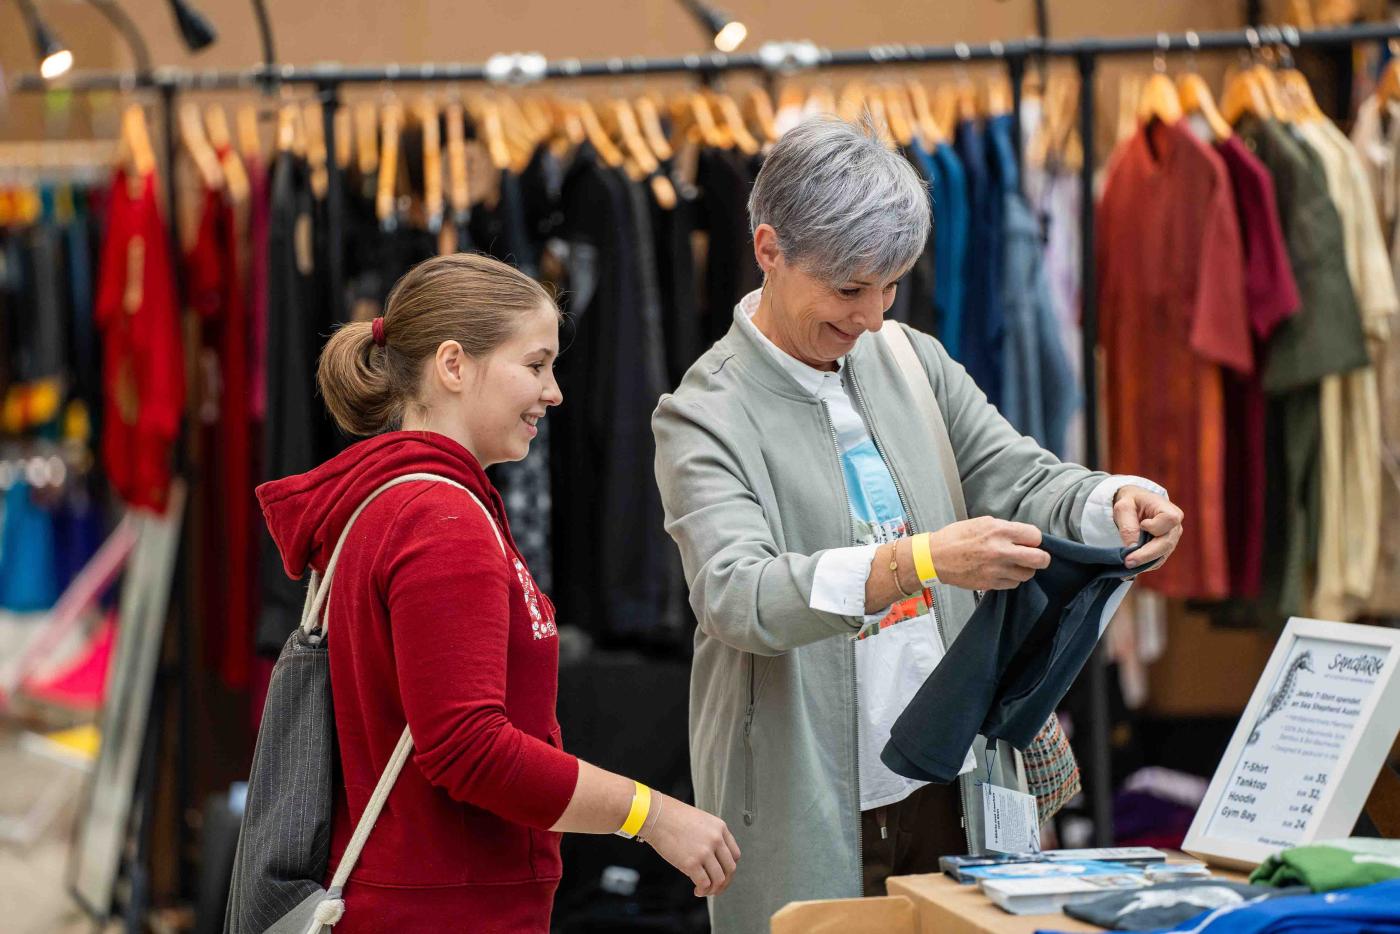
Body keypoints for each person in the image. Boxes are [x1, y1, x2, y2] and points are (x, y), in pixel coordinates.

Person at [652, 116, 1184, 934]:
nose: (871, 314)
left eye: (891, 284)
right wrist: (921, 561)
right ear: (768, 249)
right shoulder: (705, 415)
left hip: (949, 774)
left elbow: (1020, 474)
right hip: (810, 784)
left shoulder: (909, 358)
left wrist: (1113, 501)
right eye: (847, 288)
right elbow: (737, 596)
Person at [257, 253, 739, 933]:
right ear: (454, 366)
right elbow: (468, 748)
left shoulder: (390, 503)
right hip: (449, 906)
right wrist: (651, 815)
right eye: (536, 365)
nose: (555, 392)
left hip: (420, 894)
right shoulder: (442, 522)